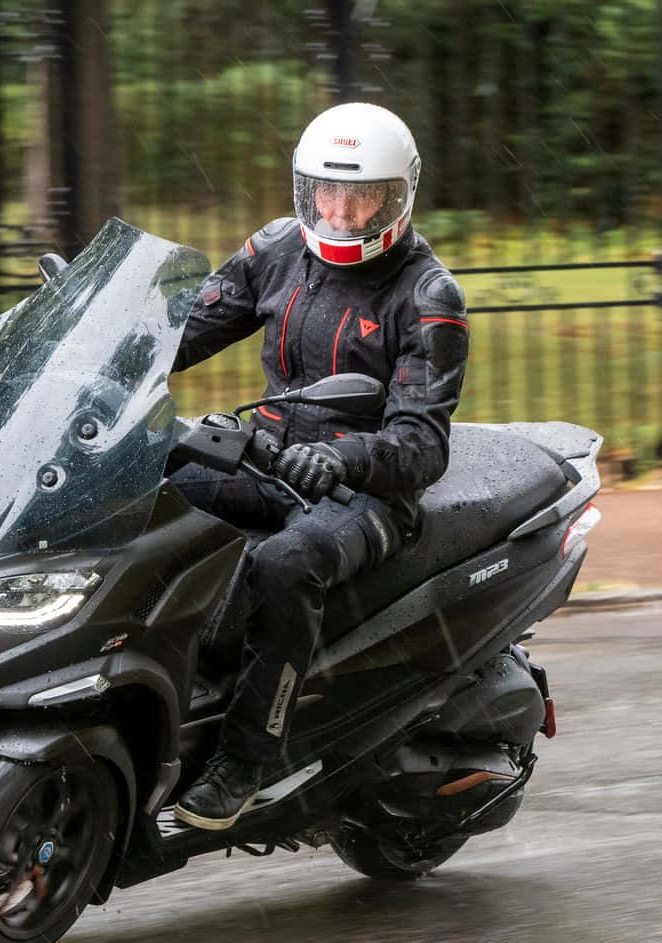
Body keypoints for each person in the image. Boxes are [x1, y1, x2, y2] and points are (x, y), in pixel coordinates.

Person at [170, 101, 469, 831]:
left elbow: (422, 447)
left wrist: (340, 457)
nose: (338, 212)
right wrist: (103, 343)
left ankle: (248, 758)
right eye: (325, 193)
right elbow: (181, 328)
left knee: (284, 563)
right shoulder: (276, 249)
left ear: (396, 197)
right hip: (266, 457)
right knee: (154, 485)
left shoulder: (428, 298)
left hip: (367, 496)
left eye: (361, 196)